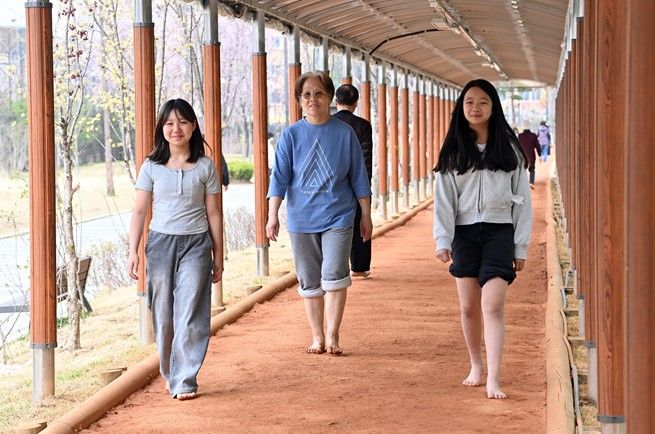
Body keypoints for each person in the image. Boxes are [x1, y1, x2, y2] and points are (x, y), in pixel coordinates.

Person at [433, 79, 532, 399]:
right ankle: (475, 365)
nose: (475, 108)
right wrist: (443, 239)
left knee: (493, 305)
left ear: (493, 107)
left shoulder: (510, 149)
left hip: (499, 232)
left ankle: (494, 377)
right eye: (469, 102)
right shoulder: (453, 150)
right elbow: (444, 200)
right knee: (468, 307)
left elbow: (523, 200)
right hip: (464, 234)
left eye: (483, 102)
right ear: (461, 108)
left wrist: (520, 245)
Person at [266, 71, 372, 355]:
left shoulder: (345, 133)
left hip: (339, 215)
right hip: (301, 218)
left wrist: (365, 214)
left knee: (335, 272)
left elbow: (358, 176)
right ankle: (317, 336)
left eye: (319, 93)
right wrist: (272, 214)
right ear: (299, 100)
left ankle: (333, 334)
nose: (312, 99)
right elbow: (279, 178)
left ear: (330, 98)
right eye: (306, 95)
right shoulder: (290, 136)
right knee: (310, 277)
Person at [127, 98, 223, 400]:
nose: (176, 128)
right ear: (162, 128)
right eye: (169, 123)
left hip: (196, 243)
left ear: (193, 126)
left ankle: (185, 379)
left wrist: (219, 255)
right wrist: (132, 251)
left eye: (182, 121)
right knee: (164, 313)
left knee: (191, 310)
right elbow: (139, 211)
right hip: (160, 244)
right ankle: (171, 371)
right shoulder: (151, 167)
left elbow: (214, 214)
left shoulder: (205, 166)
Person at [333, 84, 374, 278]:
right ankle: (359, 266)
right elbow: (366, 157)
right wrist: (365, 185)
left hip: (334, 183)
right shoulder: (363, 125)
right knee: (360, 222)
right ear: (356, 102)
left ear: (335, 101)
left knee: (334, 223)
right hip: (358, 182)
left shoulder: (328, 123)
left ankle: (334, 265)